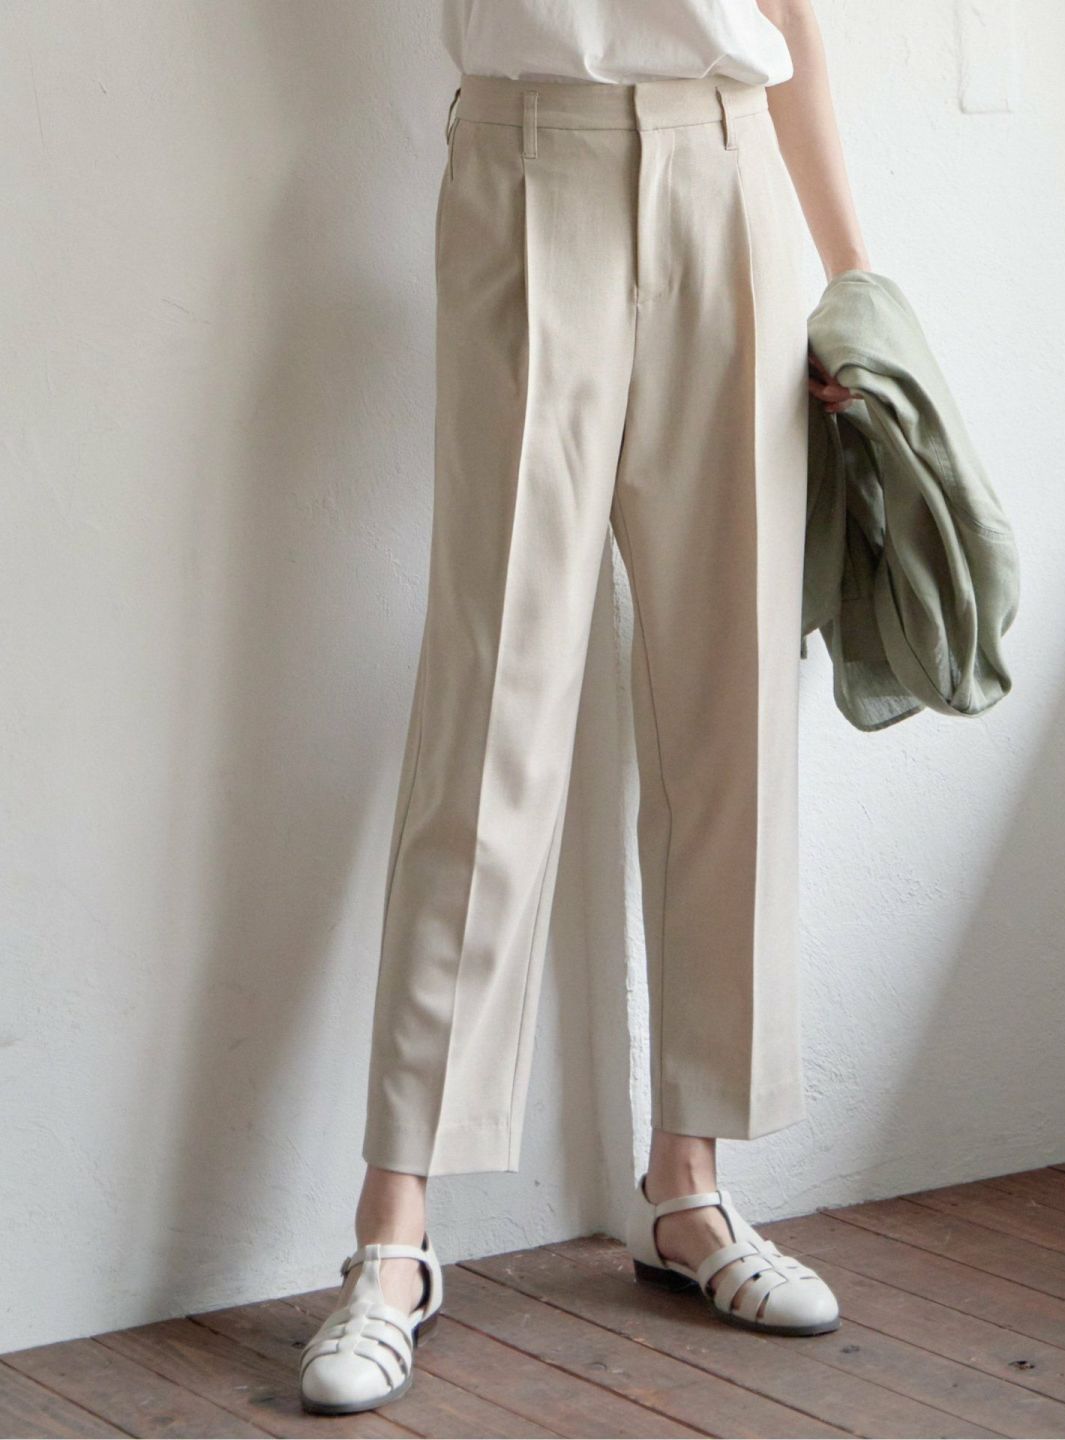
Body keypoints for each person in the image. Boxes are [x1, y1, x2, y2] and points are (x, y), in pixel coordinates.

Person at [299, 0, 868, 1414]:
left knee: (730, 702)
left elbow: (789, 11)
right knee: (489, 699)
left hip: (729, 166)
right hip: (526, 158)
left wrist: (856, 277)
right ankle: (392, 1234)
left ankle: (690, 1188)